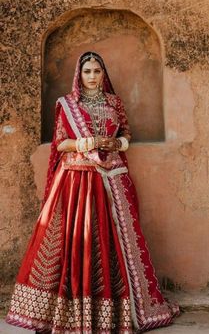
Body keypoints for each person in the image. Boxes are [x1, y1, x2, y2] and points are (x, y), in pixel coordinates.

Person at [6, 52, 179, 333]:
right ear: (79, 74)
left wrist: (117, 144)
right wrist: (89, 142)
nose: (92, 76)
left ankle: (112, 309)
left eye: (96, 71)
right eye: (87, 71)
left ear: (103, 73)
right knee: (77, 239)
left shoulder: (114, 102)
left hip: (112, 178)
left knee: (111, 242)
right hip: (77, 179)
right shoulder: (68, 104)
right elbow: (61, 144)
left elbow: (127, 133)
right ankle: (69, 311)